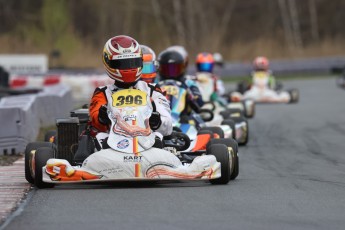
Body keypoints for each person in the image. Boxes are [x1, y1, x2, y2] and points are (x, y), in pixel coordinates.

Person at [89, 35, 172, 141]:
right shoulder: (103, 93)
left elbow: (168, 126)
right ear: (108, 62)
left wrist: (157, 122)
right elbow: (96, 123)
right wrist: (102, 118)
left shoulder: (152, 90)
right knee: (99, 137)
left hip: (149, 145)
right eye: (122, 63)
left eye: (133, 62)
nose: (128, 68)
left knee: (160, 138)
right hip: (112, 147)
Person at [157, 47, 204, 117]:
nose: (171, 73)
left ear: (182, 68)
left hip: (184, 118)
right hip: (159, 118)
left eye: (174, 69)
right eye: (167, 69)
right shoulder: (156, 83)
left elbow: (199, 102)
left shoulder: (188, 82)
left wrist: (190, 96)